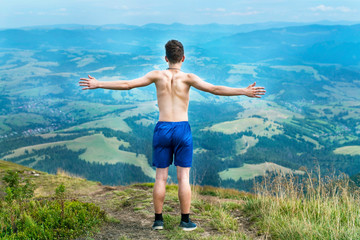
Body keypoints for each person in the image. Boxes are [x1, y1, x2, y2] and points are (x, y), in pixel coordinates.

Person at [79, 39, 266, 231]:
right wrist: (244, 91)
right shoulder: (188, 78)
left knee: (160, 177)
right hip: (182, 129)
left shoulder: (157, 75)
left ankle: (158, 221)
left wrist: (98, 83)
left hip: (162, 128)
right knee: (183, 177)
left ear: (166, 58)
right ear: (183, 58)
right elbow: (214, 89)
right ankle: (185, 221)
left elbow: (128, 84)